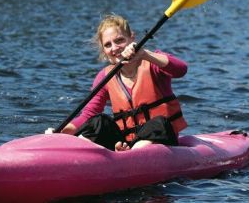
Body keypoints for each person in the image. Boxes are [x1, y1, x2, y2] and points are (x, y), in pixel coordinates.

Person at [46, 14, 188, 151]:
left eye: (119, 40)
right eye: (108, 45)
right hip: (126, 142)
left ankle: (133, 154)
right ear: (104, 50)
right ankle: (89, 152)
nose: (114, 48)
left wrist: (144, 54)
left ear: (131, 38)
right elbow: (88, 115)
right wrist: (61, 133)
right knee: (99, 121)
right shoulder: (105, 76)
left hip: (161, 137)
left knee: (159, 122)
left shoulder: (153, 62)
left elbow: (181, 69)